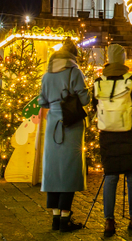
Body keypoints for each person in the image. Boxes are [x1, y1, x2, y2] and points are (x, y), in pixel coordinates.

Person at [94, 44, 132, 237]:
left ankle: (109, 222)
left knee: (110, 177)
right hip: (131, 133)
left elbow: (93, 104)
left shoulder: (99, 81)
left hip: (108, 134)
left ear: (109, 59)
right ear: (123, 59)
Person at [37, 39, 91, 232]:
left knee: (53, 169)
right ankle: (65, 219)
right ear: (73, 56)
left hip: (52, 124)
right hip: (71, 123)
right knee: (69, 170)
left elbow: (42, 101)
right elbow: (85, 98)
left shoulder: (46, 75)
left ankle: (55, 218)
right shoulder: (74, 72)